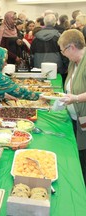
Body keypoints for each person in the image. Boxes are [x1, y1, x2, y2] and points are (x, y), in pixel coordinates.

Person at [57, 29, 86, 184]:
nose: (63, 54)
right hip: (76, 118)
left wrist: (75, 98)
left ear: (71, 47)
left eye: (63, 50)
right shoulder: (74, 62)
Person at [31, 14, 68, 84]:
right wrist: (66, 66)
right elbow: (64, 53)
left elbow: (32, 53)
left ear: (44, 22)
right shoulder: (59, 36)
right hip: (57, 68)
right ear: (54, 23)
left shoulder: (36, 37)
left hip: (39, 67)